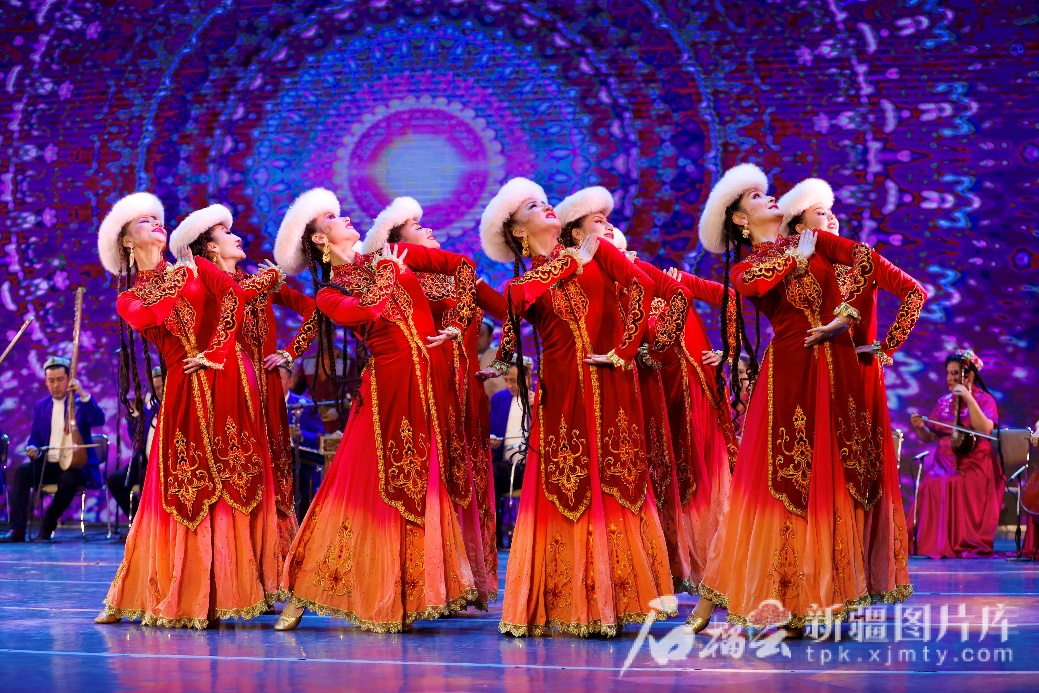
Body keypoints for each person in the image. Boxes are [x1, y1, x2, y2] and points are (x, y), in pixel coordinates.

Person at [687, 163, 885, 634]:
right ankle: (762, 597)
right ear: (740, 220)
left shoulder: (807, 244)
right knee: (780, 484)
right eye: (756, 197)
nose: (769, 197)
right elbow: (756, 284)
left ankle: (815, 597)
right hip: (790, 376)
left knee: (826, 482)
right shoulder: (748, 267)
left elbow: (862, 276)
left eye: (766, 192)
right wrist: (802, 253)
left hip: (832, 372)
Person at [272, 188, 479, 632]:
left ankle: (404, 592)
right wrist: (388, 270)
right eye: (332, 217)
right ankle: (305, 590)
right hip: (387, 385)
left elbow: (463, 267)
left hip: (429, 384)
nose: (345, 218)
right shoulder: (331, 293)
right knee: (361, 483)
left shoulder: (392, 254)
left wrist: (458, 323)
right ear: (320, 239)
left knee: (421, 484)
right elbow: (366, 309)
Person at [478, 177, 674, 637]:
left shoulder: (596, 250)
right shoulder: (525, 281)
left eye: (546, 201)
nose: (547, 207)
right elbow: (517, 303)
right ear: (519, 230)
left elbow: (644, 285)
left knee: (617, 483)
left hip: (611, 385)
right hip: (563, 395)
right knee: (569, 488)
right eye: (533, 206)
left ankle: (619, 599)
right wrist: (568, 264)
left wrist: (625, 350)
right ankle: (569, 601)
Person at [94, 192, 282, 628]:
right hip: (183, 389)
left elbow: (234, 296)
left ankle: (237, 588)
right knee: (186, 486)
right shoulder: (130, 298)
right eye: (144, 222)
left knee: (236, 478)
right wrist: (178, 279)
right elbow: (151, 316)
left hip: (223, 379)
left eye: (156, 218)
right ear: (127, 242)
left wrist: (217, 349)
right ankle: (176, 589)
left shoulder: (197, 266)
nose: (156, 223)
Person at [780, 177, 926, 600]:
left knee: (855, 475)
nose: (832, 217)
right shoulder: (795, 266)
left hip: (857, 375)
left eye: (832, 211)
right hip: (809, 378)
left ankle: (853, 576)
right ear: (799, 226)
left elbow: (914, 293)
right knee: (811, 474)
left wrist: (884, 347)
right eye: (820, 212)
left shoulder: (862, 259)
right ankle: (812, 578)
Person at [556, 185, 698, 594]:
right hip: (584, 379)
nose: (607, 226)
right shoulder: (566, 269)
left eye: (608, 220)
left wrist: (644, 348)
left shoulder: (627, 263)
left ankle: (646, 567)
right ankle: (596, 570)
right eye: (597, 220)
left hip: (627, 376)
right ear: (575, 232)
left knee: (637, 471)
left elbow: (680, 294)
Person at [361, 196, 500, 607]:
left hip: (467, 391)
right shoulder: (400, 279)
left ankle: (466, 579)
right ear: (399, 242)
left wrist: (502, 358)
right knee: (432, 479)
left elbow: (514, 312)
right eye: (417, 226)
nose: (429, 229)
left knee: (468, 481)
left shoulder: (462, 280)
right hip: (430, 388)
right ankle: (428, 580)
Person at [170, 203, 318, 562]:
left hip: (265, 387)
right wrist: (266, 281)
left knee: (272, 469)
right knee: (236, 468)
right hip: (228, 386)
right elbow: (235, 297)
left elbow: (313, 311)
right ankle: (235, 557)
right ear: (211, 247)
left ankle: (272, 560)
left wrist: (290, 352)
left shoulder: (260, 282)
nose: (237, 237)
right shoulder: (205, 279)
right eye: (226, 233)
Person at [1, 357, 106, 542]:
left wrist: (82, 393)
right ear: (46, 381)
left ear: (68, 379)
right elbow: (35, 437)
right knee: (23, 472)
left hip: (75, 465)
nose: (56, 385)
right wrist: (33, 447)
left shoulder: (79, 403)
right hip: (48, 463)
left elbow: (99, 420)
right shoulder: (41, 406)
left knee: (68, 479)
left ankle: (47, 525)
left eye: (60, 379)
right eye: (51, 380)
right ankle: (17, 530)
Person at [910, 350, 1003, 558]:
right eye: (948, 373)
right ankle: (934, 542)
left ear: (969, 376)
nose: (949, 378)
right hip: (943, 461)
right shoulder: (943, 401)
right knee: (933, 481)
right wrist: (919, 428)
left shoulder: (985, 400)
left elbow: (985, 429)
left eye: (955, 374)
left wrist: (969, 399)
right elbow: (930, 437)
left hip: (974, 461)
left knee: (955, 481)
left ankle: (960, 541)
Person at [106, 366, 164, 521]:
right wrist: (136, 413)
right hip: (144, 461)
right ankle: (139, 521)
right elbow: (137, 441)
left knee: (147, 478)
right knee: (115, 481)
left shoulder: (170, 406)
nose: (158, 392)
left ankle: (153, 523)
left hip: (164, 464)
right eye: (155, 388)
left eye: (161, 388)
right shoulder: (150, 409)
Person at [279, 364, 325, 522]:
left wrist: (300, 435)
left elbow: (320, 435)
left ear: (290, 382)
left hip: (300, 465)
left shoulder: (306, 405)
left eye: (280, 379)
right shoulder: (263, 404)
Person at [479, 318, 507, 400]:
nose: (476, 338)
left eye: (480, 335)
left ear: (490, 337)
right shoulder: (459, 356)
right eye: (473, 335)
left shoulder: (499, 357)